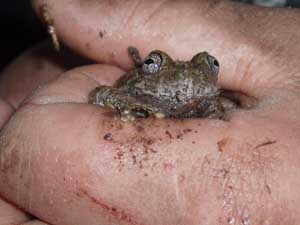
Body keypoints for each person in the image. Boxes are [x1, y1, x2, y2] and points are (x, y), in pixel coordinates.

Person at [1, 0, 300, 224]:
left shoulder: (214, 101)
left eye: (211, 67)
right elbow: (102, 92)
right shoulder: (131, 87)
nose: (186, 78)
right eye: (153, 65)